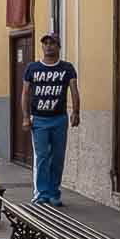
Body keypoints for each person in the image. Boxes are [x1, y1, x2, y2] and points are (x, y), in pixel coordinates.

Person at [22, 32, 81, 207]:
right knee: (41, 157)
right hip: (39, 120)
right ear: (42, 46)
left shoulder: (67, 68)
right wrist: (26, 117)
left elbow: (74, 90)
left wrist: (76, 112)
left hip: (59, 119)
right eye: (46, 43)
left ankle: (54, 193)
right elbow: (25, 93)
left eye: (52, 43)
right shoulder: (32, 68)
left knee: (57, 157)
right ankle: (41, 194)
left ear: (58, 47)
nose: (48, 46)